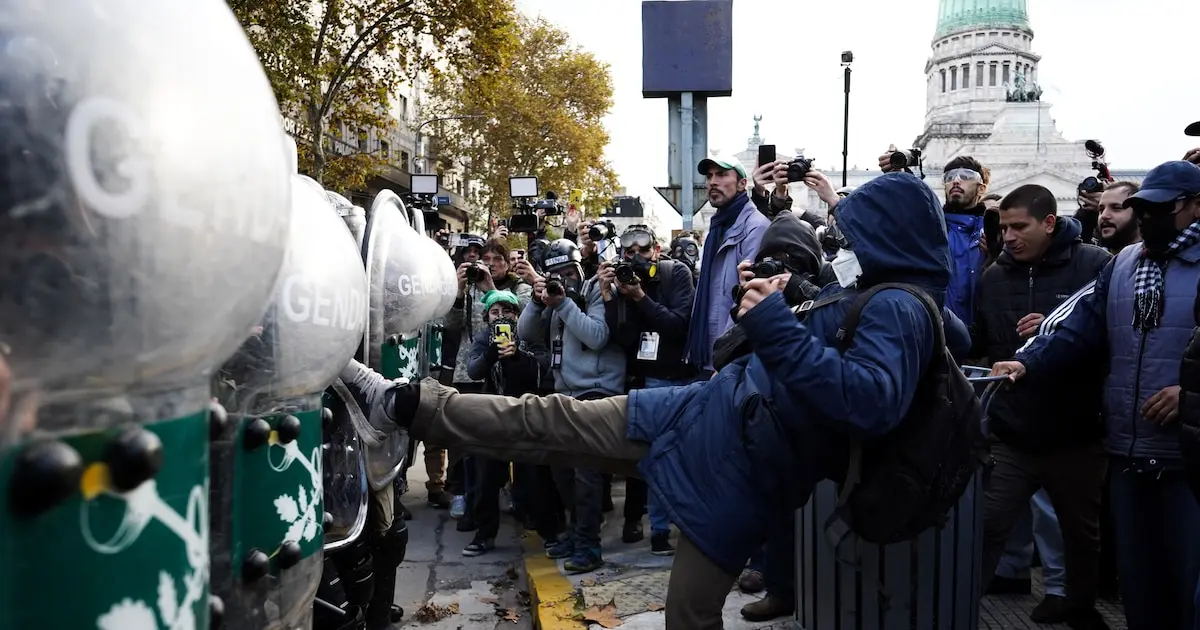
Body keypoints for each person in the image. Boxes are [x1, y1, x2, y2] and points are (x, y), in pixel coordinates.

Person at [341, 172, 956, 628]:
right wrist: (783, 300)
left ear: (886, 236)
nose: (844, 247)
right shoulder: (873, 293)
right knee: (550, 421)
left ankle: (405, 404)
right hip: (703, 411)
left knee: (687, 617)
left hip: (738, 473)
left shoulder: (901, 307)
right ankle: (402, 404)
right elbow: (763, 353)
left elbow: (870, 401)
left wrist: (775, 318)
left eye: (856, 235)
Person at [990, 161, 1200, 630]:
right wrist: (1028, 359)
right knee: (1141, 582)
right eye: (1141, 209)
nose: (1147, 218)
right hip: (1128, 447)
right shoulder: (1125, 264)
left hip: (1188, 455)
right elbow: (1076, 324)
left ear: (1193, 206)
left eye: (1160, 209)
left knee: (1189, 583)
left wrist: (1191, 394)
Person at [972, 185, 1111, 627]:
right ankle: (959, 603)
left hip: (1076, 432)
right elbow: (982, 343)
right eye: (1003, 227)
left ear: (1049, 223)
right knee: (989, 523)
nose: (1008, 236)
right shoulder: (993, 276)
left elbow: (1107, 339)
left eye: (1019, 227)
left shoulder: (1096, 265)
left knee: (1080, 533)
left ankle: (1078, 606)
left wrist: (1053, 325)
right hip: (1013, 431)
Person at [598, 224, 696, 554]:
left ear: (655, 249)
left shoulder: (675, 273)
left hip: (684, 377)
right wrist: (610, 296)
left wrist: (641, 296)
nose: (636, 257)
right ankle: (657, 530)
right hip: (651, 379)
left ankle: (690, 526)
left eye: (643, 250)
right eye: (629, 252)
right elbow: (623, 338)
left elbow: (677, 325)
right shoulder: (623, 282)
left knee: (689, 458)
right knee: (657, 458)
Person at [462, 289, 550, 557]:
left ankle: (545, 528)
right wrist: (491, 355)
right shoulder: (482, 338)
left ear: (518, 313)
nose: (502, 317)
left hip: (526, 415)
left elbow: (542, 367)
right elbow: (473, 370)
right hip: (494, 416)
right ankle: (484, 534)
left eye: (508, 311)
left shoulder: (528, 334)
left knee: (534, 477)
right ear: (487, 317)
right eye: (495, 312)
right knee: (486, 478)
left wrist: (517, 356)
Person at [686, 154, 770, 376]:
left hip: (729, 361)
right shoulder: (716, 227)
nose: (713, 181)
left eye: (722, 174)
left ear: (742, 184)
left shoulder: (756, 227)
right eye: (709, 176)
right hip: (709, 353)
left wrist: (724, 358)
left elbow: (749, 300)